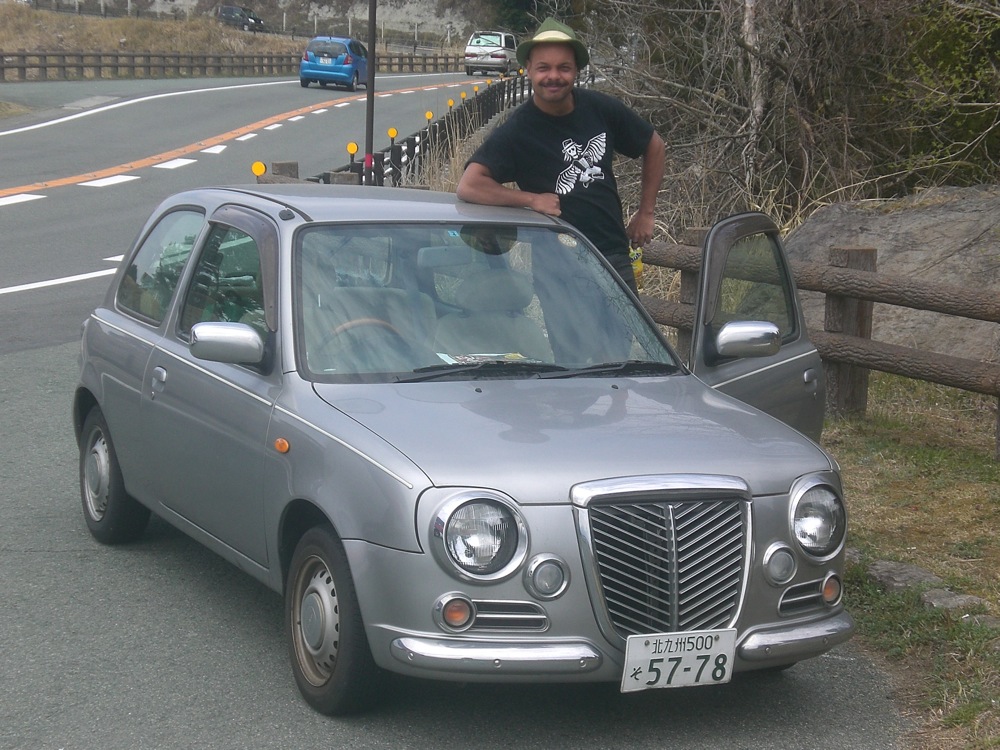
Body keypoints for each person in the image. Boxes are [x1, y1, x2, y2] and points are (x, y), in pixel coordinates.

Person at [456, 16, 665, 292]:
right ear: (528, 69)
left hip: (612, 255)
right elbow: (470, 185)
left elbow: (654, 145)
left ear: (576, 70)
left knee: (621, 337)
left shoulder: (601, 108)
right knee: (568, 338)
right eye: (543, 67)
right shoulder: (518, 130)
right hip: (556, 266)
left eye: (563, 68)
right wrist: (531, 200)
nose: (553, 76)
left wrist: (646, 213)